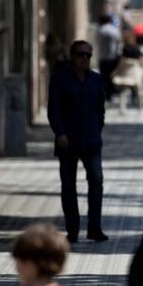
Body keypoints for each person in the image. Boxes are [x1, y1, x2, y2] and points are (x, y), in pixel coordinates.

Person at [48, 40, 108, 243]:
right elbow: (53, 109)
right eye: (81, 54)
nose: (84, 58)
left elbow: (100, 109)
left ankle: (95, 228)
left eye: (88, 55)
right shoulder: (60, 79)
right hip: (68, 141)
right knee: (68, 186)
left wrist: (98, 128)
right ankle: (72, 230)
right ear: (72, 56)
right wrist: (59, 133)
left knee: (97, 182)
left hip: (92, 140)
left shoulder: (96, 80)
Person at [111, 40, 143, 113]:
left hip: (125, 74)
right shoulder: (137, 49)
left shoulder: (124, 50)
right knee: (139, 92)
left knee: (123, 92)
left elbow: (120, 62)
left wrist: (115, 72)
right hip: (135, 74)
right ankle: (140, 108)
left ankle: (122, 108)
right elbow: (142, 61)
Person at [97, 14, 122, 102]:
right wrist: (119, 54)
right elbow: (119, 43)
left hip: (103, 56)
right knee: (112, 75)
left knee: (104, 76)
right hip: (113, 56)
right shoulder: (115, 30)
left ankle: (106, 93)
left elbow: (97, 42)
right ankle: (112, 92)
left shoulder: (100, 30)